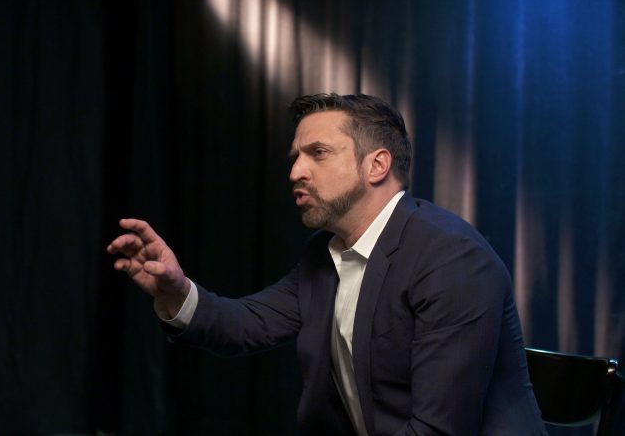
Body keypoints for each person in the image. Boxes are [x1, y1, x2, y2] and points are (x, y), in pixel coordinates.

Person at [107, 93, 547, 435]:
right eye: (295, 157)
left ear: (377, 165)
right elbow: (246, 325)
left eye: (317, 153)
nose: (295, 171)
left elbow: (438, 430)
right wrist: (176, 291)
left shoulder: (452, 259)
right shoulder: (325, 253)